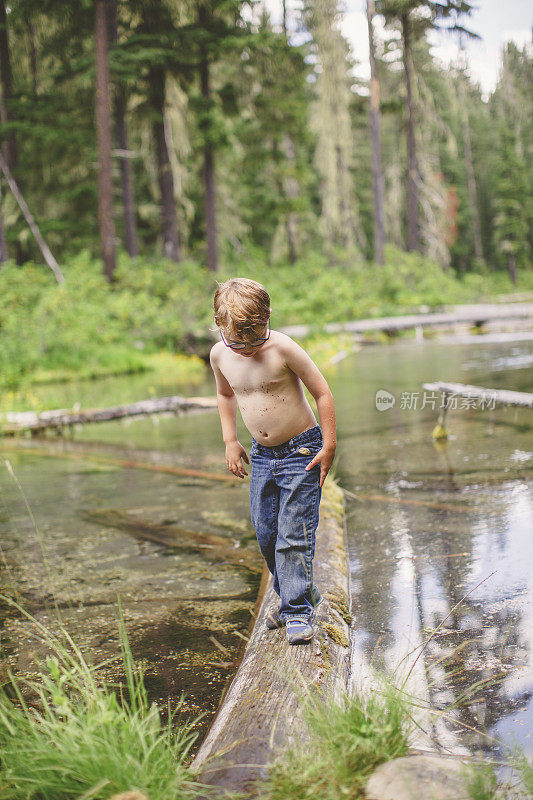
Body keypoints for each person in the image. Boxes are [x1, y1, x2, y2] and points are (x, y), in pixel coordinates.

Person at [209, 277, 337, 645]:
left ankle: (296, 611)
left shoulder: (283, 349)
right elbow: (224, 395)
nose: (247, 348)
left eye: (256, 338)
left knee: (291, 534)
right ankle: (299, 594)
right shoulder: (220, 355)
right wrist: (230, 440)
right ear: (221, 327)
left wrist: (328, 446)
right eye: (238, 341)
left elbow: (322, 393)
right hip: (263, 456)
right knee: (266, 532)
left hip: (302, 451)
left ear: (267, 320)